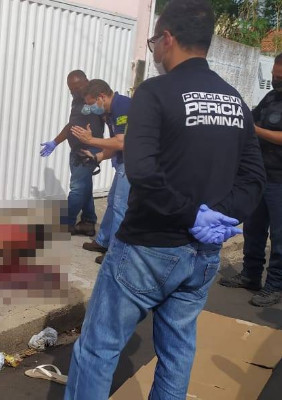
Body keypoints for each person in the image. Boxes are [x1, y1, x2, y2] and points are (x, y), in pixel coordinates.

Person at [64, 1, 266, 399]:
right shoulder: (234, 100)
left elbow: (142, 171)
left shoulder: (155, 93)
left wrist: (193, 215)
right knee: (177, 351)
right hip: (203, 254)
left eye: (154, 39)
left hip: (147, 248)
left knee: (99, 349)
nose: (154, 48)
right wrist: (221, 217)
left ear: (168, 39)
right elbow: (253, 177)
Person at [219, 53, 282, 307]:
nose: (275, 80)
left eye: (280, 77)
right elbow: (250, 119)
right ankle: (251, 275)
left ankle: (275, 285)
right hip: (261, 177)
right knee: (253, 229)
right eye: (274, 75)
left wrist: (255, 130)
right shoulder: (271, 98)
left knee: (279, 237)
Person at [71, 79, 132, 264]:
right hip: (124, 161)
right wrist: (96, 157)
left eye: (92, 104)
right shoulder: (111, 111)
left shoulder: (122, 106)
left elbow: (122, 142)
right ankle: (103, 241)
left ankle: (116, 253)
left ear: (101, 97)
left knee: (120, 207)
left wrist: (91, 141)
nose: (91, 109)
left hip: (133, 162)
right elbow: (115, 144)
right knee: (113, 202)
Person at [40, 70, 105, 236]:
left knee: (77, 188)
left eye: (77, 87)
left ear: (87, 82)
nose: (74, 92)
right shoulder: (76, 101)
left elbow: (110, 119)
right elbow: (71, 125)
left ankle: (66, 223)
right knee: (84, 186)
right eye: (71, 89)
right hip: (76, 151)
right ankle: (88, 222)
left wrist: (111, 147)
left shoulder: (97, 99)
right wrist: (55, 142)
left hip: (88, 151)